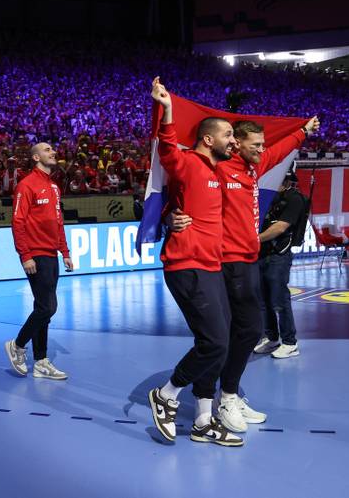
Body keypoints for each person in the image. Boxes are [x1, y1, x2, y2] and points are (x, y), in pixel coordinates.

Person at [144, 77, 243, 448]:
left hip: (211, 266)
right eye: (228, 135)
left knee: (222, 340)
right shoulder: (186, 163)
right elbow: (166, 148)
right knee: (215, 342)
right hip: (187, 266)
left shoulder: (217, 172)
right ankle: (167, 394)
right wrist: (168, 108)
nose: (233, 141)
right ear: (207, 139)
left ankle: (203, 420)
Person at [214, 116, 318, 433]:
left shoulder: (254, 167)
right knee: (225, 334)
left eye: (263, 144)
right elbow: (184, 178)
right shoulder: (218, 166)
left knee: (250, 329)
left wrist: (302, 131)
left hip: (248, 259)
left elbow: (281, 149)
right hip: (224, 261)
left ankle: (229, 393)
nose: (262, 149)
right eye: (255, 144)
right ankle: (216, 400)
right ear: (237, 143)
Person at [4, 142, 73, 381]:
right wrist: (25, 255)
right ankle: (17, 345)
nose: (53, 152)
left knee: (42, 308)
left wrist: (65, 252)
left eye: (53, 150)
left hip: (51, 255)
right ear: (35, 157)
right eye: (47, 150)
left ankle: (41, 360)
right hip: (36, 255)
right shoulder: (26, 185)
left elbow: (58, 221)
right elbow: (18, 222)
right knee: (48, 307)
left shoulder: (53, 186)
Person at [254, 170, 307, 359]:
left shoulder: (295, 199)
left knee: (279, 299)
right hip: (261, 254)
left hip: (279, 255)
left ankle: (290, 342)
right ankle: (272, 337)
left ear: (285, 180)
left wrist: (254, 239)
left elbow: (281, 227)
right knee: (263, 299)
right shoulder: (266, 198)